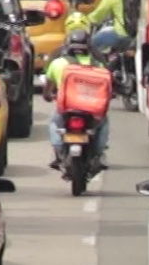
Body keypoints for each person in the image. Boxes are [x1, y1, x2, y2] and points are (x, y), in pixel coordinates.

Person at [43, 30, 110, 171]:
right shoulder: (97, 65)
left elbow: (48, 87)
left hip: (67, 108)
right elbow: (108, 87)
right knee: (103, 124)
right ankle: (98, 154)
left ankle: (58, 153)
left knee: (55, 123)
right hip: (92, 110)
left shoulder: (57, 63)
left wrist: (48, 95)